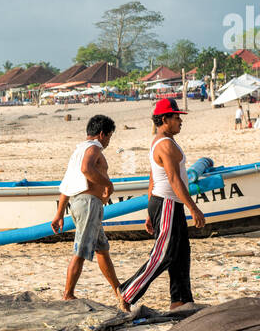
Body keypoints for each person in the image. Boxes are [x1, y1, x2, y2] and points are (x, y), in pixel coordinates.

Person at [119, 98, 206, 310]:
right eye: (176, 118)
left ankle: (181, 300)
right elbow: (173, 179)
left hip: (166, 204)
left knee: (181, 254)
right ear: (165, 119)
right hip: (166, 203)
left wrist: (150, 211)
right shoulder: (164, 144)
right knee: (163, 254)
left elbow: (152, 177)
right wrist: (193, 208)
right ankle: (127, 293)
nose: (180, 122)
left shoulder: (164, 140)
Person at [51, 114, 126, 310]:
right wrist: (108, 184)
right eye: (109, 137)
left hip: (80, 203)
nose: (109, 141)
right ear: (102, 134)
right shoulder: (94, 148)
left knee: (102, 249)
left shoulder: (78, 151)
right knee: (81, 250)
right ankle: (68, 294)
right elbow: (86, 169)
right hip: (88, 204)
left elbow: (66, 184)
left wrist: (59, 213)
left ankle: (119, 291)